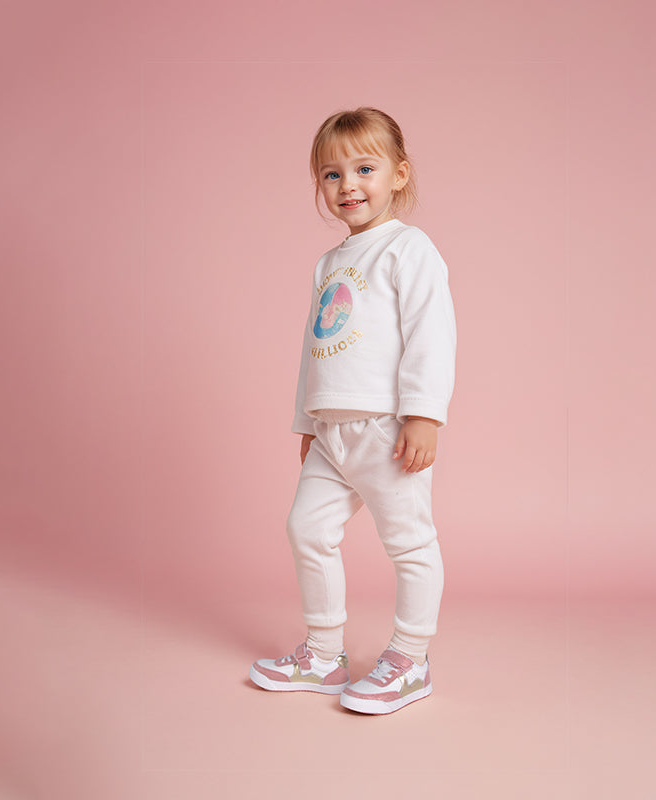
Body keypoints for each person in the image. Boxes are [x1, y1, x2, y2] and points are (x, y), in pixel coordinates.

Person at [249, 107, 456, 714]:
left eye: (365, 169)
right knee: (307, 529)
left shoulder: (408, 248)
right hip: (332, 433)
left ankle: (411, 660)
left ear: (399, 174)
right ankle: (323, 655)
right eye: (332, 174)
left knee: (409, 543)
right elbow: (315, 348)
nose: (348, 185)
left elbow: (431, 334)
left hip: (387, 430)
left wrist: (423, 415)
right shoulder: (329, 263)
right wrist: (307, 421)